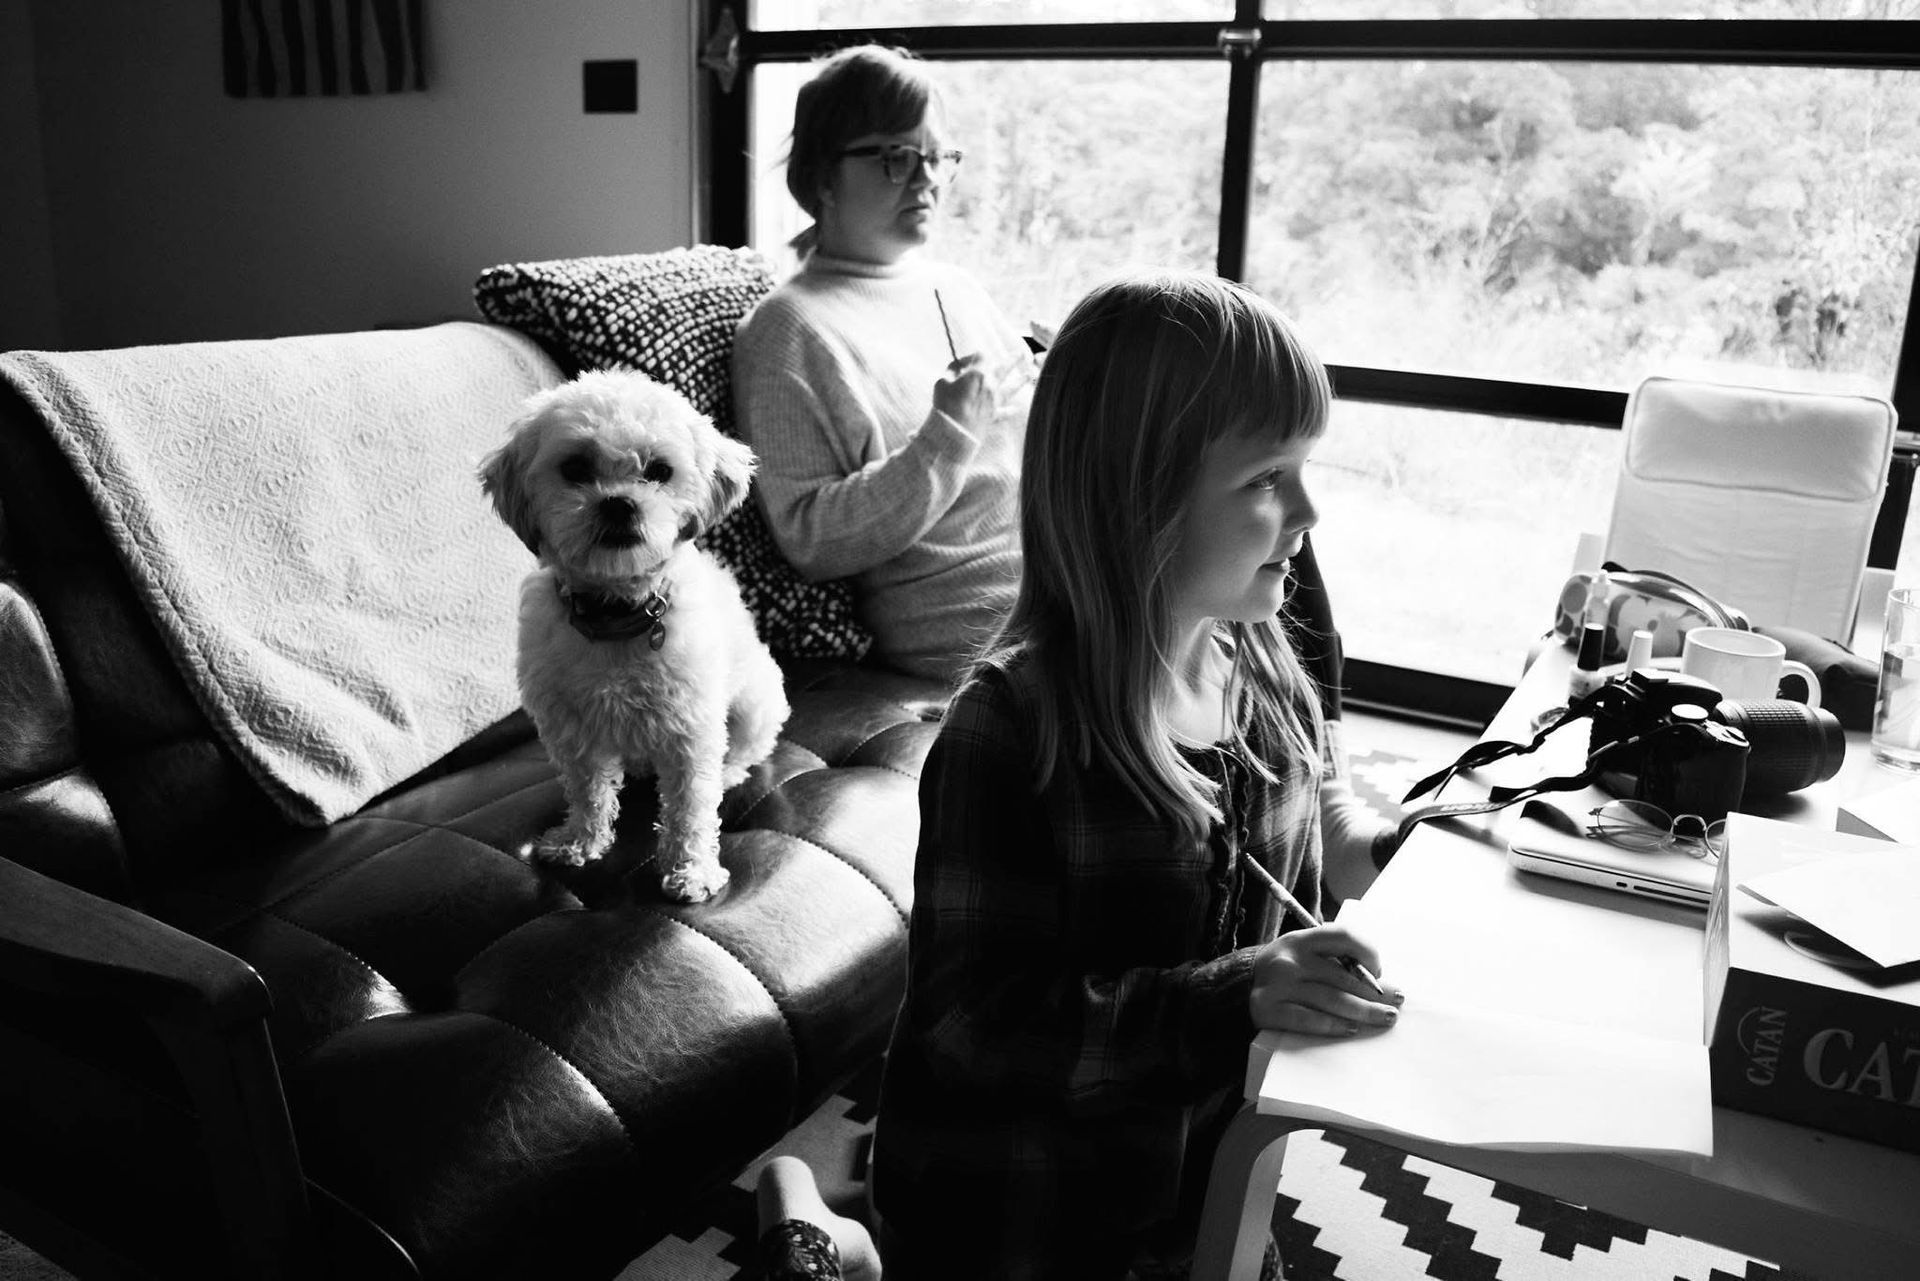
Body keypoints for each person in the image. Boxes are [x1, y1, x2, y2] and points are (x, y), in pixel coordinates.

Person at [867, 270, 1406, 1280]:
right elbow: (967, 1032)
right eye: (1265, 478)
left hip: (1193, 1193)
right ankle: (819, 1223)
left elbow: (1300, 873)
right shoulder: (1010, 732)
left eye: (1305, 467)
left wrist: (1390, 878)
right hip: (1021, 1231)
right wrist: (1233, 998)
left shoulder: (1263, 670)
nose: (1308, 510)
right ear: (1137, 498)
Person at [732, 44, 1036, 687]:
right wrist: (947, 436)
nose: (927, 178)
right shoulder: (788, 330)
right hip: (979, 627)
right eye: (898, 158)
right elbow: (810, 539)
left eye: (939, 158)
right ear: (821, 177)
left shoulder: (953, 288)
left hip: (1069, 576)